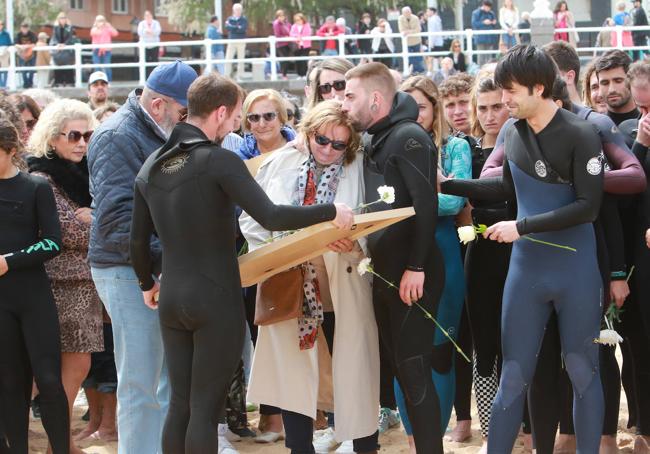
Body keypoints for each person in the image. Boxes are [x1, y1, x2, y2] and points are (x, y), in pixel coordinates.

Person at [129, 71, 354, 453]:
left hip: (170, 296)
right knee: (204, 409)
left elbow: (135, 242)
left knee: (180, 405)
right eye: (236, 117)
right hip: (214, 296)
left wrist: (146, 284)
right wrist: (332, 210)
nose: (236, 126)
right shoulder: (218, 160)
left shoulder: (151, 164)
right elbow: (271, 216)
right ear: (220, 112)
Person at [440, 44, 605, 454]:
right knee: (512, 375)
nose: (504, 100)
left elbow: (589, 207)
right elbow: (506, 189)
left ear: (539, 87)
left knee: (583, 370)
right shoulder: (513, 133)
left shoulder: (581, 133)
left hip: (575, 269)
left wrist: (522, 227)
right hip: (527, 270)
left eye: (511, 91)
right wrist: (448, 184)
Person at [241, 99, 379, 454]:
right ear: (307, 133)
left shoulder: (360, 165)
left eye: (339, 144)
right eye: (322, 140)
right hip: (293, 283)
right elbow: (252, 220)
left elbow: (376, 216)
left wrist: (356, 243)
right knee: (294, 376)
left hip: (344, 282)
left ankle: (365, 445)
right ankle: (300, 448)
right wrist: (285, 244)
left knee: (355, 370)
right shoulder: (281, 161)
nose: (330, 150)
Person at [87, 60, 197, 454]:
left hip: (158, 266)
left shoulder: (163, 131)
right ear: (158, 106)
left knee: (169, 380)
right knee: (141, 382)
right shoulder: (116, 136)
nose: (191, 121)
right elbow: (117, 223)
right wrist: (169, 260)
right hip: (127, 270)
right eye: (185, 112)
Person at [342, 62, 444, 454]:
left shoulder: (408, 137)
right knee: (401, 369)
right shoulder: (375, 137)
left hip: (412, 273)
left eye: (351, 96)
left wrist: (415, 267)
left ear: (377, 99)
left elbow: (427, 204)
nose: (345, 103)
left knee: (415, 371)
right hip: (384, 273)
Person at [394, 75, 471, 454]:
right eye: (404, 105)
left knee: (440, 348)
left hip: (442, 251)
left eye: (420, 106)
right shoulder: (388, 145)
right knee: (403, 347)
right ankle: (412, 441)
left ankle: (434, 441)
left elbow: (454, 203)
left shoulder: (454, 146)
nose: (411, 114)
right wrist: (425, 198)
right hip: (398, 254)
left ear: (434, 108)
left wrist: (407, 204)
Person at [27, 99, 103, 454]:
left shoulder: (88, 174)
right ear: (52, 136)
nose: (82, 143)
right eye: (74, 135)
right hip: (57, 284)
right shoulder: (42, 177)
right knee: (45, 368)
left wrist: (95, 219)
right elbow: (68, 233)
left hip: (82, 286)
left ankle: (63, 442)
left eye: (88, 135)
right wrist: (94, 222)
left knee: (73, 364)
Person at [0, 116, 70, 453]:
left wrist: (8, 261)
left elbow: (52, 242)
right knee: (10, 383)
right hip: (2, 303)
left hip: (33, 297)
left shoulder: (35, 187)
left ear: (11, 150)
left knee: (48, 381)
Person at [627, 60, 650, 453]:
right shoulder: (635, 136)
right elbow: (630, 194)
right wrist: (642, 144)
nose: (648, 117)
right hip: (642, 260)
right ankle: (645, 427)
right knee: (642, 344)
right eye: (642, 109)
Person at [237, 89, 295, 160]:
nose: (262, 124)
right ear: (248, 122)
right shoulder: (239, 159)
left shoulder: (303, 149)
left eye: (269, 116)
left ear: (281, 118)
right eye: (254, 117)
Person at [224, 3, 248, 80]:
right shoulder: (229, 19)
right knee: (228, 59)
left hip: (241, 41)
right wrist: (237, 27)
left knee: (241, 59)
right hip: (231, 40)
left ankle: (240, 76)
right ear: (233, 10)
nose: (238, 11)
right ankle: (226, 76)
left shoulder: (244, 19)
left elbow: (243, 29)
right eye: (236, 9)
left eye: (239, 10)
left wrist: (233, 27)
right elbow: (227, 27)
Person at [90, 15, 118, 81]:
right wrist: (97, 26)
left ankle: (109, 82)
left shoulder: (108, 29)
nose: (101, 22)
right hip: (97, 51)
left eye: (102, 20)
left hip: (106, 50)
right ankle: (97, 81)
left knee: (107, 67)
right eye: (99, 21)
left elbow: (116, 33)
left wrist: (110, 26)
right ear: (96, 22)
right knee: (97, 67)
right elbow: (94, 33)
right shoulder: (94, 28)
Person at [399, 7, 425, 74]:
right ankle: (417, 70)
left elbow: (418, 29)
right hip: (407, 42)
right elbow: (401, 30)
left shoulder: (415, 18)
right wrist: (411, 31)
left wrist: (408, 32)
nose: (407, 13)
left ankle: (418, 70)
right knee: (409, 57)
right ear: (403, 13)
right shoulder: (400, 18)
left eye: (408, 12)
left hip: (416, 41)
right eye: (406, 12)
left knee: (417, 56)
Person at [472, 1, 498, 65]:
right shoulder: (476, 13)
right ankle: (481, 71)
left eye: (489, 8)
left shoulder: (491, 13)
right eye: (487, 7)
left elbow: (494, 25)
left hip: (489, 38)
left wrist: (493, 23)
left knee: (489, 57)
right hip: (480, 38)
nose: (488, 9)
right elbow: (474, 24)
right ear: (483, 5)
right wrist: (483, 22)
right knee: (481, 57)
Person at [137, 11, 161, 77]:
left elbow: (158, 32)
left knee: (155, 61)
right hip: (144, 46)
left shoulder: (156, 23)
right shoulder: (141, 23)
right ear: (144, 17)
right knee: (145, 61)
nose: (148, 17)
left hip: (154, 45)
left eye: (149, 15)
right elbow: (140, 33)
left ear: (151, 16)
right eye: (146, 15)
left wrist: (151, 32)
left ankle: (155, 76)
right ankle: (145, 77)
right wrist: (147, 31)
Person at [15, 23, 37, 89]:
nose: (24, 29)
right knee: (23, 70)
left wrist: (26, 46)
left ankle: (30, 83)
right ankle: (25, 83)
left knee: (32, 70)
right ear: (21, 28)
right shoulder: (18, 35)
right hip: (22, 55)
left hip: (31, 55)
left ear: (28, 28)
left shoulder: (32, 34)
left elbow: (34, 43)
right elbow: (15, 44)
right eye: (23, 28)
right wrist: (21, 47)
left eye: (26, 28)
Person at [290, 13, 311, 78]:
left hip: (306, 46)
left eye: (299, 20)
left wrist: (301, 37)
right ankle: (299, 75)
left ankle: (304, 74)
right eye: (296, 20)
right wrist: (297, 37)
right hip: (297, 46)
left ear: (302, 19)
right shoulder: (294, 26)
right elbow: (291, 34)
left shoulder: (307, 25)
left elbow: (308, 33)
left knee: (304, 60)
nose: (298, 21)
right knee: (298, 61)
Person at [273, 10, 292, 80]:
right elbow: (277, 35)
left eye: (283, 16)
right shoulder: (276, 23)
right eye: (280, 16)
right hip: (280, 44)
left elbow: (291, 30)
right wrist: (285, 37)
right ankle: (283, 74)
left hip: (288, 43)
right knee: (283, 59)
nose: (281, 18)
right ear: (277, 17)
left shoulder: (287, 23)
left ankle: (285, 74)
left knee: (287, 59)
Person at [0, 20, 12, 89]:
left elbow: (10, 43)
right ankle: (1, 84)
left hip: (5, 53)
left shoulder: (6, 34)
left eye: (1, 24)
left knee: (5, 69)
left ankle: (4, 84)